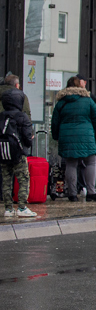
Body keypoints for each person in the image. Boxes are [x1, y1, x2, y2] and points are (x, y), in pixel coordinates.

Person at [50, 75, 96, 201]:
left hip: (67, 137)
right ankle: (91, 192)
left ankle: (72, 194)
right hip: (86, 135)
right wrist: (91, 128)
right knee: (91, 162)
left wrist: (56, 136)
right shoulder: (87, 100)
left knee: (71, 164)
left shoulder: (61, 102)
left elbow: (55, 122)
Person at [1, 88, 37, 218]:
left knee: (6, 180)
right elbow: (27, 137)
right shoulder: (22, 116)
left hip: (4, 153)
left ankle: (8, 209)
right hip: (19, 153)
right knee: (23, 179)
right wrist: (28, 144)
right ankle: (22, 207)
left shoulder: (1, 116)